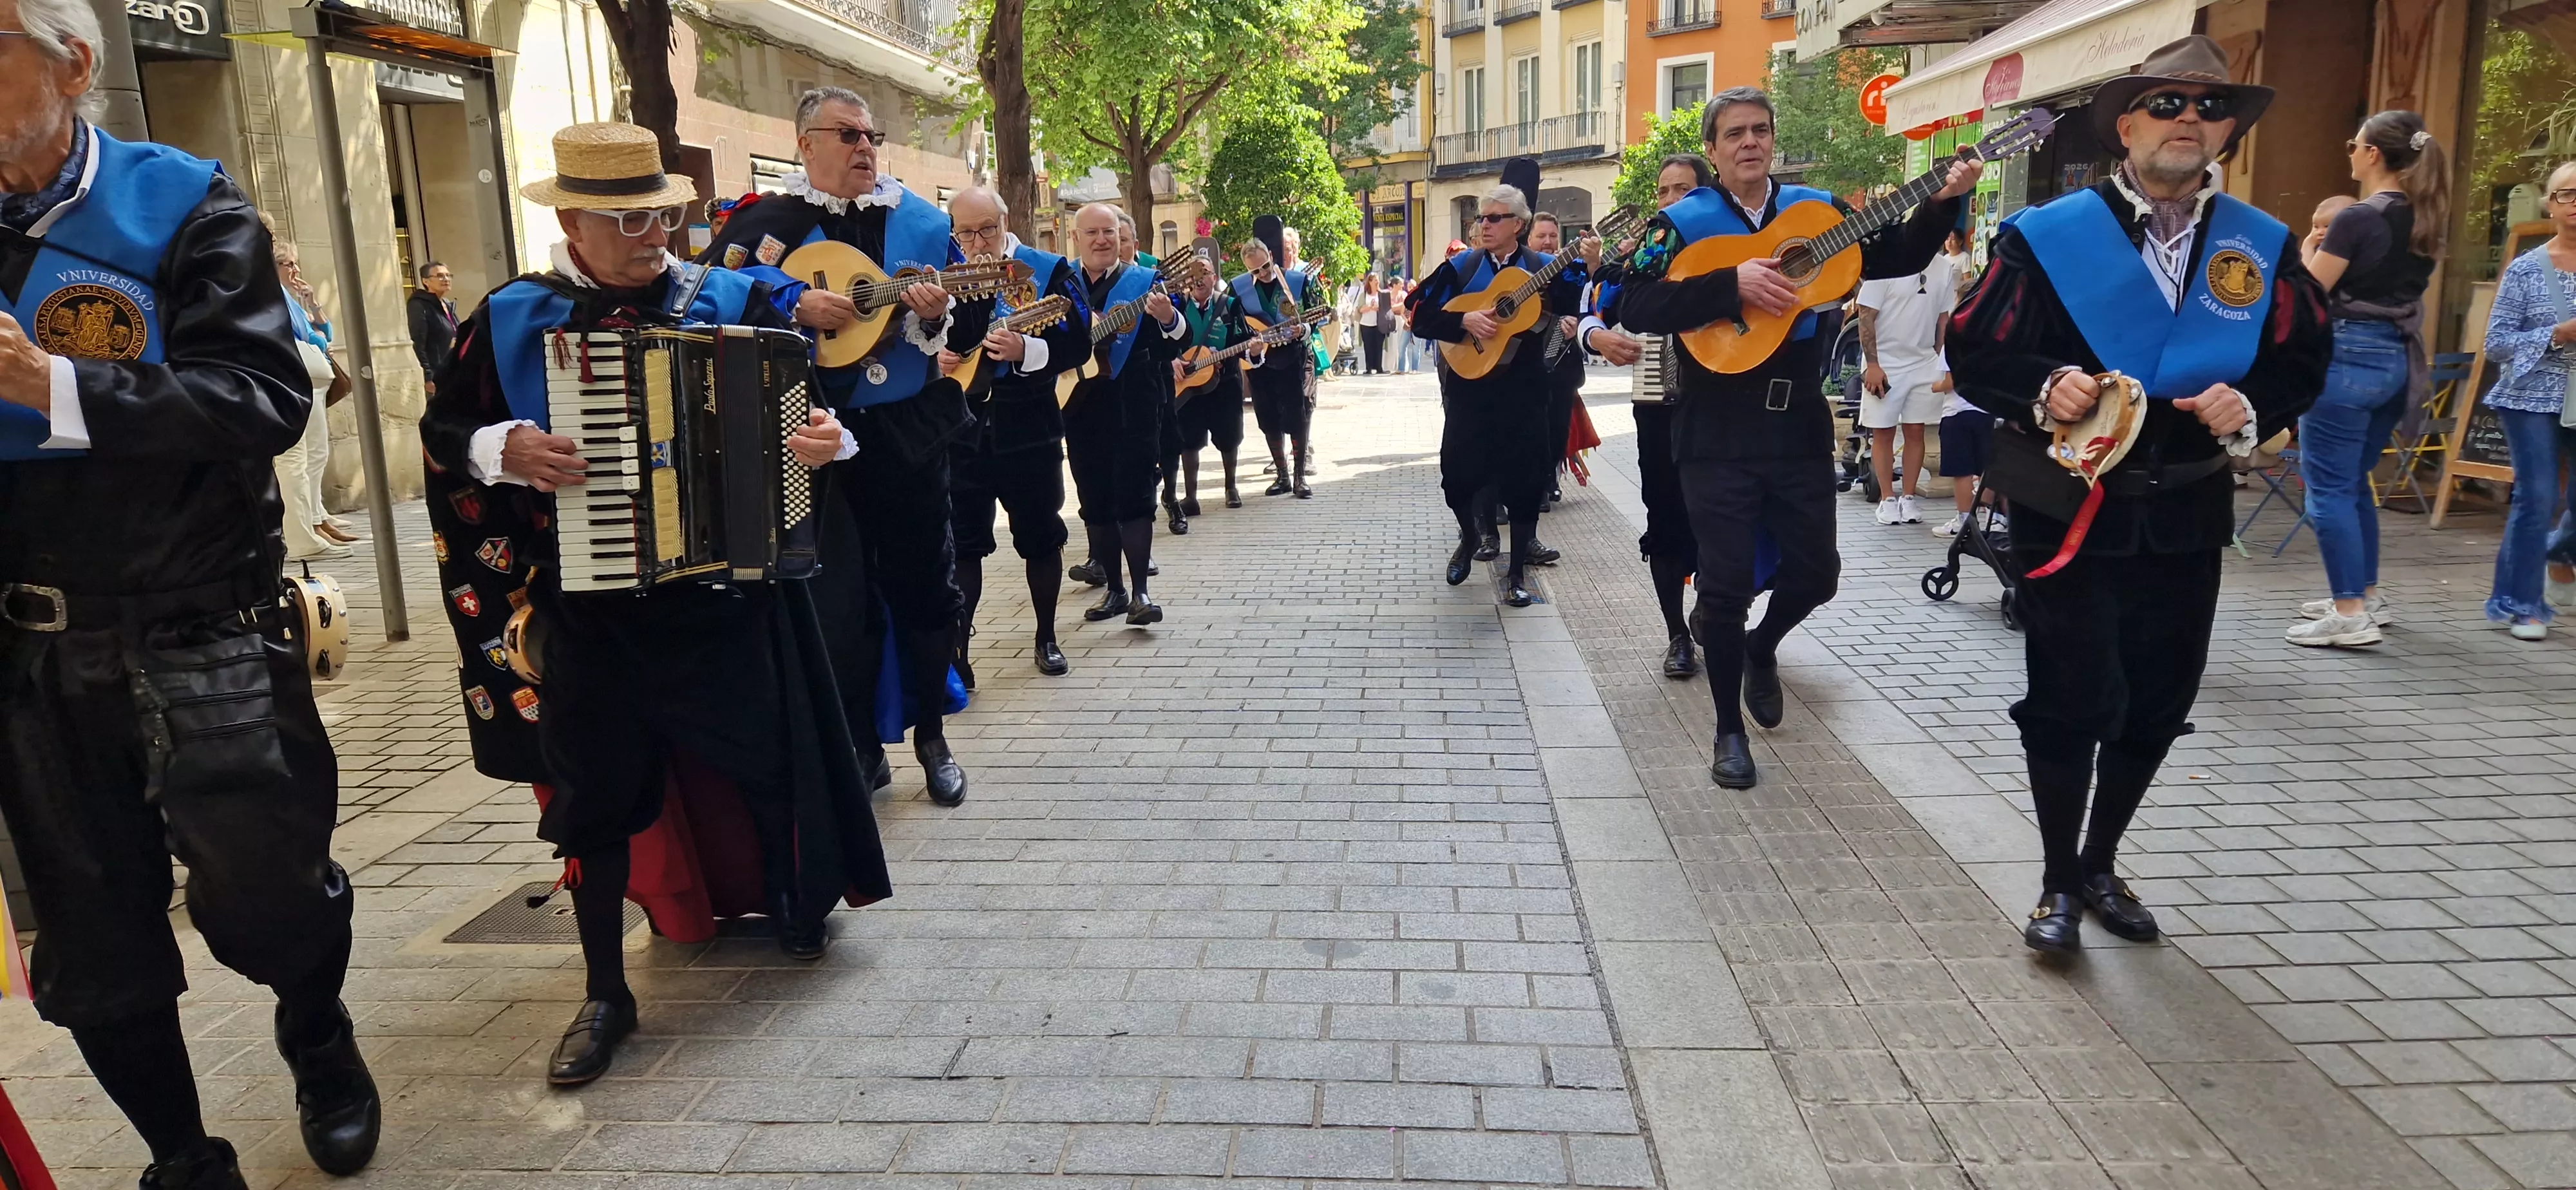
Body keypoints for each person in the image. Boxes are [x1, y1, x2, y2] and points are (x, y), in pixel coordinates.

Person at [421, 121, 886, 1084]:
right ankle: (604, 991)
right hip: (591, 608)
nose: (654, 238)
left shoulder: (738, 296)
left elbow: (815, 416)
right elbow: (443, 428)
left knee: (766, 759)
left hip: (723, 595)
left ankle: (795, 905)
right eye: (628, 222)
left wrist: (827, 448)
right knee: (594, 802)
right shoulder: (511, 315)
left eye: (662, 217)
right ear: (574, 223)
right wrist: (498, 447)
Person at [0, 0, 375, 1182]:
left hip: (201, 619)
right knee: (91, 940)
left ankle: (315, 1028)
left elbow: (263, 398)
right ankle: (182, 1155)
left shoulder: (183, 202)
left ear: (73, 64)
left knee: (272, 895)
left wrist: (52, 384)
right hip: (31, 655)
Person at [1951, 36, 2329, 952]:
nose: (2187, 120)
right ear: (2127, 124)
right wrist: (2047, 386)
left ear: (2227, 130)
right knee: (2072, 693)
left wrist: (2257, 404)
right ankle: (2054, 886)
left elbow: (2303, 359)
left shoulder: (2259, 246)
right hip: (2069, 506)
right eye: (2167, 103)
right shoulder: (2047, 235)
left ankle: (2099, 859)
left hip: (2186, 507)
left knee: (2159, 697)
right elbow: (1978, 350)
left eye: (2207, 107)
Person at [1605, 87, 1976, 788]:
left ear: (1772, 140)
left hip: (1799, 422)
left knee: (1818, 573)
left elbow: (1892, 257)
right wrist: (1728, 284)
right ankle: (1726, 731)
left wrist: (1942, 201)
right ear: (1713, 151)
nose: (1749, 141)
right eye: (1734, 133)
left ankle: (1761, 646)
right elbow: (1634, 300)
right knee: (1720, 587)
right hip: (1715, 424)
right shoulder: (1680, 222)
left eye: (1760, 130)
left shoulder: (1820, 212)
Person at [702, 86, 969, 807]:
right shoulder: (762, 222)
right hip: (803, 439)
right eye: (847, 134)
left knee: (924, 587)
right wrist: (790, 301)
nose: (864, 147)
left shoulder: (918, 222)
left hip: (906, 433)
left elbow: (979, 324)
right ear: (805, 145)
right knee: (833, 596)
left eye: (870, 135)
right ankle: (853, 743)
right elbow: (704, 299)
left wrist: (943, 315)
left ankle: (931, 738)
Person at [2287, 111, 2448, 648]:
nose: (2350, 151)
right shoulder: (2424, 214)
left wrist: (2304, 252)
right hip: (2397, 361)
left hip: (2347, 358)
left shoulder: (2357, 218)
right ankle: (2364, 594)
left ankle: (2349, 612)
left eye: (2354, 143)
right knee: (2354, 484)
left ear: (2374, 154)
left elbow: (2311, 294)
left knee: (2327, 490)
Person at [1410, 158, 1594, 609]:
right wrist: (1462, 321)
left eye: (1494, 218)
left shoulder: (1547, 266)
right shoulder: (1463, 267)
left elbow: (1574, 302)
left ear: (1519, 224)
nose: (1484, 225)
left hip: (1526, 388)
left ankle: (1516, 577)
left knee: (1527, 483)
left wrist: (1590, 266)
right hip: (1472, 389)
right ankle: (1470, 537)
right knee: (1456, 474)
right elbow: (1418, 312)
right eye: (1481, 218)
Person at [940, 187, 1086, 682]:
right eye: (967, 231)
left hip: (1030, 423)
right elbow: (912, 336)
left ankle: (1046, 636)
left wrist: (1028, 351)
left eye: (987, 228)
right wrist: (931, 358)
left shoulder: (1048, 270)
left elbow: (1080, 340)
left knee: (1041, 535)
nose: (978, 240)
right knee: (962, 544)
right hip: (962, 426)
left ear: (1006, 221)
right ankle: (959, 654)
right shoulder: (946, 275)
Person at [1582, 153, 1710, 678]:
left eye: (1683, 190)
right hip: (1658, 405)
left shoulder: (1725, 247)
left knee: (1718, 519)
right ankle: (1677, 634)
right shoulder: (1644, 254)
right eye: (1663, 191)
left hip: (1718, 407)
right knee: (1665, 518)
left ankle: (1715, 612)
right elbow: (1595, 305)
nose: (1671, 200)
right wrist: (1598, 333)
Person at [1064, 202, 1186, 624]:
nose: (1102, 240)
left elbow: (1175, 342)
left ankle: (1141, 594)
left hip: (1134, 403)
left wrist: (1169, 316)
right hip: (1079, 405)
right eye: (1093, 233)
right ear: (1075, 237)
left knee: (1135, 497)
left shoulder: (1146, 281)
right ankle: (1114, 591)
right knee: (1095, 499)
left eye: (1109, 233)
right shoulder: (1062, 286)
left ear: (1122, 238)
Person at [2480, 159, 2576, 641]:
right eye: (2567, 194)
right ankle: (2522, 604)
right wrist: (2558, 334)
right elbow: (2495, 343)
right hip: (2532, 396)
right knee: (2538, 496)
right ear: (2550, 205)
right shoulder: (2527, 269)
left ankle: (2559, 552)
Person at [1857, 249, 1958, 525]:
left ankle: (1908, 498)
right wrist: (1873, 364)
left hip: (1924, 360)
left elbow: (1943, 319)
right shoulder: (1887, 261)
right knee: (1884, 432)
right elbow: (1865, 316)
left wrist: (1942, 361)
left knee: (1916, 431)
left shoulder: (1944, 267)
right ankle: (1887, 499)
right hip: (1886, 361)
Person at [269, 233, 350, 560]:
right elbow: (309, 340)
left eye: (295, 263)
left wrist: (312, 302)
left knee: (313, 454)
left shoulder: (289, 296)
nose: (294, 269)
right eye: (287, 263)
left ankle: (315, 520)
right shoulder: (270, 294)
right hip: (296, 379)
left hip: (311, 380)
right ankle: (304, 533)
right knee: (295, 460)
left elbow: (324, 333)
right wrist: (317, 338)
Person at [1229, 216, 1321, 498]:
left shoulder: (1298, 280)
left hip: (1294, 357)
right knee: (1267, 417)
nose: (1264, 273)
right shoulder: (1239, 288)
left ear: (1272, 256)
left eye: (1266, 265)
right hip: (1261, 363)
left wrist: (1303, 328)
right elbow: (1235, 328)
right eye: (1256, 270)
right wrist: (1250, 347)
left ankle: (1299, 477)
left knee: (1298, 415)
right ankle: (1281, 475)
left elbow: (1318, 313)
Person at [1169, 261, 1246, 515]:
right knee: (1188, 441)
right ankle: (1191, 498)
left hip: (1224, 383)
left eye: (1204, 275)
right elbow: (1164, 341)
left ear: (1214, 278)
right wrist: (1174, 360)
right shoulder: (1177, 306)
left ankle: (1231, 488)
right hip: (1188, 385)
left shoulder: (1230, 306)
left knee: (1229, 436)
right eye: (1194, 275)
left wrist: (1248, 350)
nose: (1199, 280)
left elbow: (1243, 340)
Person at [1929, 354, 1997, 538]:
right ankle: (1995, 519)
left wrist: (1936, 387)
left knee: (1962, 472)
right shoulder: (1998, 339)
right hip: (1989, 412)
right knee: (1988, 468)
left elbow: (1951, 382)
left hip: (1958, 412)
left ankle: (1965, 520)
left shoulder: (1955, 341)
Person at [408, 260, 455, 395]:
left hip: (452, 370)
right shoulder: (419, 305)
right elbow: (419, 342)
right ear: (426, 281)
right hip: (437, 374)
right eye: (440, 276)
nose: (446, 279)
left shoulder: (447, 304)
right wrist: (428, 377)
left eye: (448, 275)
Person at [1358, 273, 1389, 373]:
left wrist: (1380, 309)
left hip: (1379, 325)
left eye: (1378, 280)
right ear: (1370, 282)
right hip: (1366, 325)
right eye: (1375, 280)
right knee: (1368, 346)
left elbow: (1386, 309)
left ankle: (1379, 368)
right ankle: (1369, 368)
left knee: (1379, 346)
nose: (1377, 282)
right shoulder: (1364, 295)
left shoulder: (1382, 294)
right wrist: (1370, 307)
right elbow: (1360, 309)